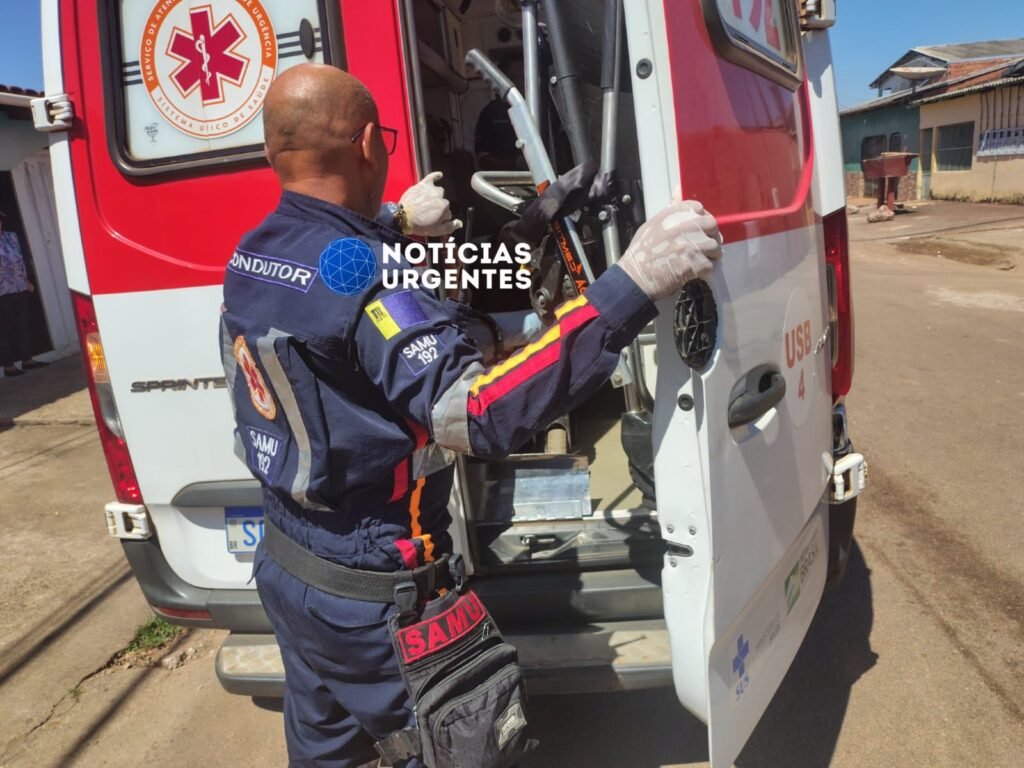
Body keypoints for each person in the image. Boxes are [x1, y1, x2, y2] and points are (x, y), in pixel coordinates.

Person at [220, 63, 723, 767]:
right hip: (375, 595)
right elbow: (476, 413)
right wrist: (628, 287)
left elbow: (340, 322)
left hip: (290, 567)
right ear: (368, 143)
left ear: (275, 152)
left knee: (329, 751)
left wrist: (398, 225)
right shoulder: (372, 278)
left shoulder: (255, 252)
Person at [0, 211, 47, 378]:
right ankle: (8, 366)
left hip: (19, 286)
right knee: (4, 329)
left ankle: (27, 359)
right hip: (2, 291)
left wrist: (26, 280)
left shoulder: (10, 237)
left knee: (23, 324)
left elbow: (20, 259)